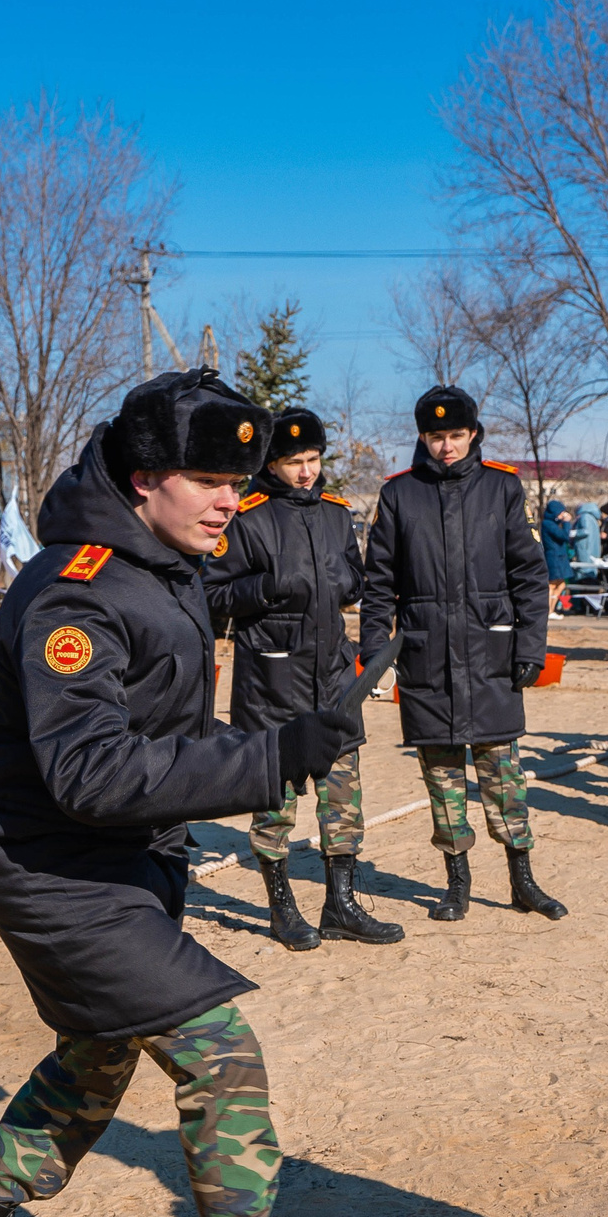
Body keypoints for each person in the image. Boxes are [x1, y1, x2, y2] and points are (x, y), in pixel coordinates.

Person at [0, 368, 392, 1217]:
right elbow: (90, 773)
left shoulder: (159, 565)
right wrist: (271, 761)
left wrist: (291, 723)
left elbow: (164, 728)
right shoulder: (78, 589)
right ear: (140, 480)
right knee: (220, 1056)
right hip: (57, 874)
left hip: (124, 864)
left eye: (239, 479)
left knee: (91, 1066)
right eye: (209, 479)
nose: (230, 499)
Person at [360, 384, 567, 922]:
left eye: (455, 435)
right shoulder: (399, 495)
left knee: (506, 781)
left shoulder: (501, 489)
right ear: (422, 437)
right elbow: (379, 583)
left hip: (490, 657)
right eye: (435, 436)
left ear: (473, 434)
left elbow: (528, 572)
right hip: (428, 661)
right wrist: (374, 651)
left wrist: (530, 645)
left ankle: (524, 881)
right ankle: (457, 884)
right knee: (443, 784)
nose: (446, 447)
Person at [204, 404, 405, 951]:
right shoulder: (245, 517)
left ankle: (340, 905)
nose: (306, 471)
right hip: (273, 687)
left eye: (313, 459)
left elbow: (355, 578)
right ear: (272, 463)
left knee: (343, 804)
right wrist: (262, 589)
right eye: (294, 461)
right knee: (275, 809)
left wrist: (348, 581)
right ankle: (281, 907)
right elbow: (209, 593)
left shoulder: (339, 513)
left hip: (334, 682)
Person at [539, 498, 577, 607]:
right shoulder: (547, 524)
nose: (563, 514)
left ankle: (552, 609)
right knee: (552, 584)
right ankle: (548, 609)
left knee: (561, 584)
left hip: (559, 557)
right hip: (554, 557)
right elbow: (564, 536)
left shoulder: (552, 523)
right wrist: (566, 523)